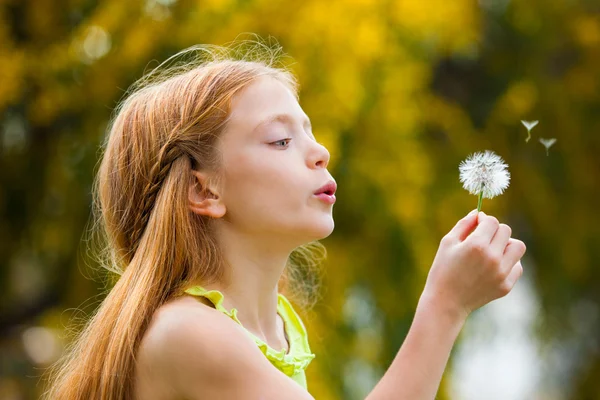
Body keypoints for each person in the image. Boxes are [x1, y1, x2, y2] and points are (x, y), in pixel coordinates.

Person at [43, 41, 526, 400]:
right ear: (201, 189)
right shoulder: (188, 334)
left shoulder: (273, 331)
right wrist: (444, 305)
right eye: (280, 140)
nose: (321, 152)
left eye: (309, 133)